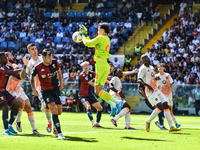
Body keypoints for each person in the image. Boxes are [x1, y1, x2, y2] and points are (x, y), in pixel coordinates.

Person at [79, 23, 123, 116]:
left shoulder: (101, 37)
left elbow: (87, 43)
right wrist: (86, 36)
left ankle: (118, 102)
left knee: (98, 91)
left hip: (101, 65)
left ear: (103, 30)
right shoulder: (106, 39)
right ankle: (113, 104)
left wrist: (83, 36)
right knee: (97, 91)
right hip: (103, 64)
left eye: (99, 30)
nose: (97, 32)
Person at [137, 54, 181, 132]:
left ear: (148, 58)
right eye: (143, 59)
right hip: (150, 91)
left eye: (145, 58)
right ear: (141, 61)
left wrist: (155, 78)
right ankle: (148, 121)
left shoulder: (151, 68)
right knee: (160, 106)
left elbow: (151, 78)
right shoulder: (142, 69)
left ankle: (171, 127)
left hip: (156, 89)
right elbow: (139, 80)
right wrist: (148, 86)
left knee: (166, 105)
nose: (145, 60)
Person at [31, 49, 65, 139]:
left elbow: (59, 72)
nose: (51, 59)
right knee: (54, 109)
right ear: (43, 58)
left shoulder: (55, 63)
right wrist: (33, 88)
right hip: (46, 91)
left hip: (56, 90)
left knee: (59, 112)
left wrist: (61, 83)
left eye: (51, 57)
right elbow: (31, 76)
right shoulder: (37, 67)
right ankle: (59, 132)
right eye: (49, 57)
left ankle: (50, 114)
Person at [21, 43, 52, 133]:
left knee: (51, 106)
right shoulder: (30, 63)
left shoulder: (43, 59)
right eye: (32, 49)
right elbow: (23, 77)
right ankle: (50, 123)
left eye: (35, 49)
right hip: (40, 88)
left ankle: (50, 123)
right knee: (48, 104)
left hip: (50, 84)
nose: (35, 51)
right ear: (29, 51)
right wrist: (25, 66)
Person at [6, 52, 40, 134]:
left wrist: (25, 66)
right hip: (10, 91)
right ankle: (17, 121)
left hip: (19, 89)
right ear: (6, 57)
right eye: (10, 55)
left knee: (28, 107)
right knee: (21, 102)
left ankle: (34, 130)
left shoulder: (15, 66)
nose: (12, 56)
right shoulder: (4, 67)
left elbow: (21, 78)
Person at [0, 52, 21, 135]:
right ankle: (5, 130)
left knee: (16, 104)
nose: (6, 59)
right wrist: (22, 69)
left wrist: (24, 71)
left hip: (4, 91)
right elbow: (9, 73)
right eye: (4, 57)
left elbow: (18, 77)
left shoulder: (9, 66)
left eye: (6, 57)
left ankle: (9, 125)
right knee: (5, 106)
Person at [155, 63, 181, 128]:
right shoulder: (156, 77)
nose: (160, 68)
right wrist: (157, 88)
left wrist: (171, 88)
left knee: (171, 110)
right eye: (159, 67)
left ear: (163, 68)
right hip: (163, 95)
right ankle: (174, 124)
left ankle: (159, 120)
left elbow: (171, 83)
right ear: (158, 69)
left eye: (161, 67)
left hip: (169, 94)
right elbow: (154, 86)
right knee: (168, 108)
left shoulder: (167, 75)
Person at [78, 61, 103, 127]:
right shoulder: (82, 75)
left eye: (87, 65)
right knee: (88, 106)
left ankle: (97, 123)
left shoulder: (92, 73)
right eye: (84, 66)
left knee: (100, 108)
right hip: (82, 95)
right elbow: (92, 83)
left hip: (90, 94)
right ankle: (92, 122)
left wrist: (108, 82)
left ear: (89, 66)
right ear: (82, 67)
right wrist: (100, 87)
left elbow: (99, 79)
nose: (86, 67)